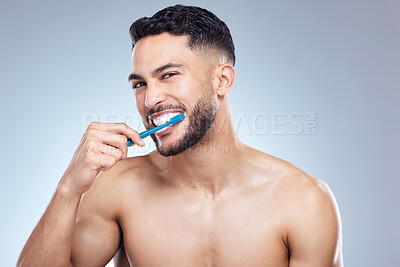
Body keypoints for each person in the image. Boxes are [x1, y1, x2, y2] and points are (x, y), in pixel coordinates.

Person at [17, 4, 343, 267]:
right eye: (139, 83)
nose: (150, 99)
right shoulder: (118, 189)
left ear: (223, 80)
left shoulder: (303, 202)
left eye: (168, 75)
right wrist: (68, 189)